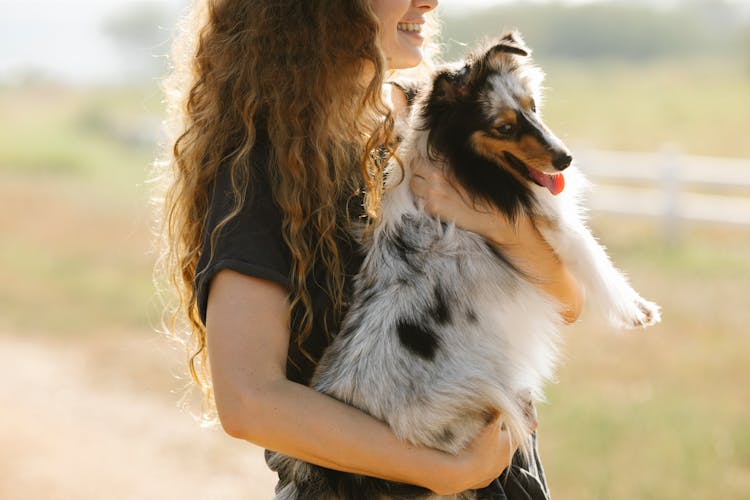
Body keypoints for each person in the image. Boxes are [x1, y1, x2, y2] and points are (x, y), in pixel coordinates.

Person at [156, 0, 584, 497]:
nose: (429, 2)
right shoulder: (263, 172)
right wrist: (445, 471)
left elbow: (566, 302)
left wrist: (502, 227)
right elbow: (249, 398)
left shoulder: (434, 127)